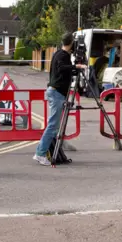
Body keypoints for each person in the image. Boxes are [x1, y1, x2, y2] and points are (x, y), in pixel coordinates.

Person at [33, 33, 87, 166]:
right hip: (57, 93)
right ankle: (40, 154)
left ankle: (46, 151)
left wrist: (73, 68)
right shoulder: (62, 56)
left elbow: (63, 71)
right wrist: (77, 67)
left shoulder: (59, 54)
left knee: (54, 126)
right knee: (52, 126)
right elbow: (61, 68)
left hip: (56, 92)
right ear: (71, 43)